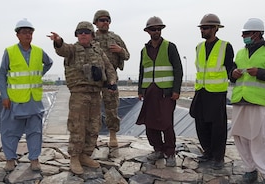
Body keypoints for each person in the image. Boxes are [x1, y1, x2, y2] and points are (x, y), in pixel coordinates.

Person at [47, 21, 118, 175]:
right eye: (80, 32)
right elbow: (62, 49)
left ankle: (85, 155)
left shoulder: (98, 51)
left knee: (93, 126)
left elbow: (109, 68)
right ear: (77, 35)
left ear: (92, 35)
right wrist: (58, 41)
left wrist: (111, 82)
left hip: (95, 94)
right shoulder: (73, 49)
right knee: (77, 126)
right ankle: (74, 157)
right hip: (79, 94)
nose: (83, 34)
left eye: (86, 32)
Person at [230, 18, 265, 184]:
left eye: (246, 33)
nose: (243, 36)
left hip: (258, 101)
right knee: (240, 136)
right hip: (240, 100)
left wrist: (259, 72)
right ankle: (250, 169)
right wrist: (233, 74)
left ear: (256, 33)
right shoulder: (240, 52)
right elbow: (231, 73)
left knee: (260, 140)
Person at [0, 18, 53, 172]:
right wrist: (4, 96)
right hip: (14, 100)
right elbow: (2, 75)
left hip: (33, 100)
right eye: (24, 32)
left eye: (30, 32)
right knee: (10, 131)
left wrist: (39, 75)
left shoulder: (38, 51)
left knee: (35, 131)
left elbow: (49, 62)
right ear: (18, 35)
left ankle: (34, 159)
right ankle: (10, 159)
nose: (28, 35)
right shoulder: (10, 52)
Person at [188, 13, 235, 170]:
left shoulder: (225, 46)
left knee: (218, 127)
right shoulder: (199, 47)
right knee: (200, 123)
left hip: (216, 92)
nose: (202, 30)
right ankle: (207, 151)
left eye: (206, 28)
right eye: (201, 28)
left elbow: (230, 67)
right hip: (201, 91)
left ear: (215, 29)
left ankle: (218, 157)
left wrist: (234, 75)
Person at [136, 16, 183, 167]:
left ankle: (170, 153)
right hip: (150, 92)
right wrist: (140, 90)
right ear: (148, 31)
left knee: (166, 124)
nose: (156, 31)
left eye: (158, 29)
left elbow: (178, 70)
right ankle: (158, 149)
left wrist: (176, 90)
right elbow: (142, 71)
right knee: (149, 123)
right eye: (153, 29)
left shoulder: (170, 47)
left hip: (166, 93)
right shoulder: (144, 50)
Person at [92, 10, 130, 147]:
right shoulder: (90, 37)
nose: (105, 22)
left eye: (107, 20)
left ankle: (113, 135)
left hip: (110, 78)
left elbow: (127, 55)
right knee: (93, 109)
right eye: (102, 20)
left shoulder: (115, 38)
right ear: (96, 22)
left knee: (112, 108)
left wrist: (120, 50)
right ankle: (93, 137)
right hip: (94, 78)